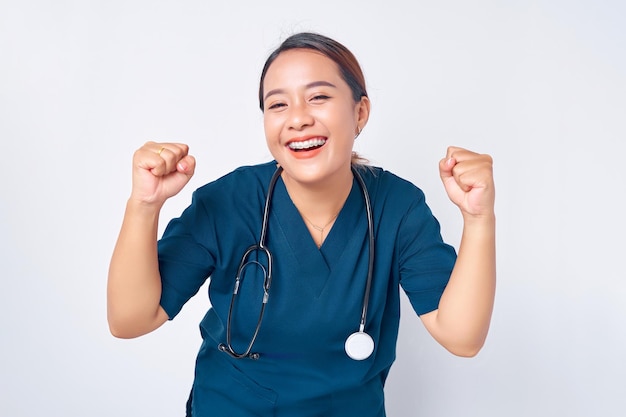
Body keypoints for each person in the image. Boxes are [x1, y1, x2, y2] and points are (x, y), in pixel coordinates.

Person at [107, 32, 496, 416]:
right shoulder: (227, 202)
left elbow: (462, 338)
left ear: (360, 112)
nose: (297, 119)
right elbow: (130, 320)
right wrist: (144, 204)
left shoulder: (397, 207)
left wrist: (478, 219)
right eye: (278, 105)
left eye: (319, 97)